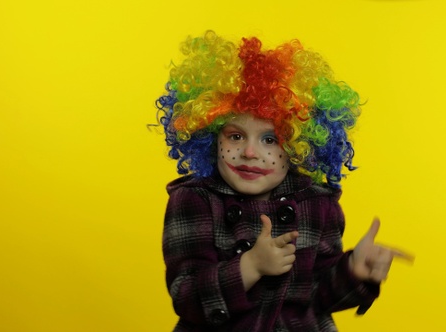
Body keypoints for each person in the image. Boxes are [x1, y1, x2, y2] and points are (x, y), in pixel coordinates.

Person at [154, 30, 413, 331]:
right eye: (235, 136)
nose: (250, 152)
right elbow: (186, 297)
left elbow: (319, 298)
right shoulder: (195, 200)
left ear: (297, 144)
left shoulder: (316, 204)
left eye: (270, 139)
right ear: (211, 137)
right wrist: (250, 266)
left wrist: (354, 270)